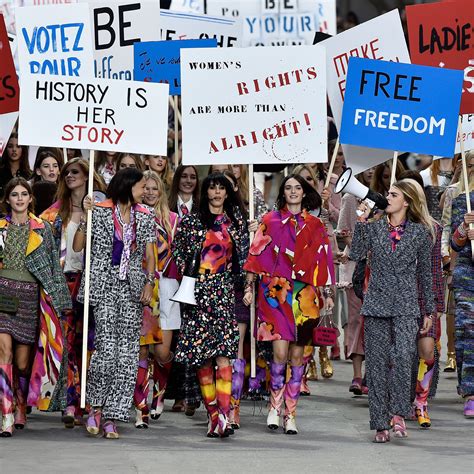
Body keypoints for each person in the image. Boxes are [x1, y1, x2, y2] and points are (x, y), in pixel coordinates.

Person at [243, 174, 335, 435]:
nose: (293, 192)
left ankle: (290, 413)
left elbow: (324, 259)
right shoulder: (269, 220)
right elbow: (256, 253)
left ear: (304, 192)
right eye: (288, 188)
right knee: (280, 353)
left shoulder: (316, 223)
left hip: (305, 294)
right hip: (276, 292)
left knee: (298, 356)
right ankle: (274, 406)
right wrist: (249, 287)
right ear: (282, 193)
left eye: (297, 188)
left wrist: (327, 293)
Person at [350, 179, 435, 443]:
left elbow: (425, 275)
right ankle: (379, 423)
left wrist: (429, 311)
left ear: (407, 201)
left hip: (407, 306)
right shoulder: (374, 228)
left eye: (393, 194)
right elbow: (355, 254)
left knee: (404, 358)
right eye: (388, 193)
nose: (387, 198)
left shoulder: (421, 233)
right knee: (375, 365)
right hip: (376, 304)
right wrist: (361, 223)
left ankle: (399, 413)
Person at [75, 168, 155, 439]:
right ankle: (95, 408)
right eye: (142, 186)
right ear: (127, 185)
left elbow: (149, 252)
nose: (145, 191)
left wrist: (149, 281)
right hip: (103, 284)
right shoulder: (98, 209)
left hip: (132, 288)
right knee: (107, 349)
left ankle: (113, 415)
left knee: (128, 353)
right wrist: (86, 216)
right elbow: (77, 246)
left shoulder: (144, 214)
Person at [172, 172, 249, 438]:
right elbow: (177, 250)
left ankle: (224, 416)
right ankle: (213, 414)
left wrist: (244, 285)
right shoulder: (192, 220)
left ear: (228, 193)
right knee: (202, 356)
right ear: (206, 193)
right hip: (197, 292)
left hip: (224, 292)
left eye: (221, 189)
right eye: (212, 188)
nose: (216, 193)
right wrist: (189, 272)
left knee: (224, 354)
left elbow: (246, 258)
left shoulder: (235, 223)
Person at [0, 178, 71, 436]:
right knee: (3, 353)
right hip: (3, 296)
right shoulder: (0, 228)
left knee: (21, 363)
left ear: (31, 198)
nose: (19, 198)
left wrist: (61, 302)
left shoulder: (43, 228)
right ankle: (5, 416)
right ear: (8, 199)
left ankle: (20, 401)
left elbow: (53, 267)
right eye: (14, 194)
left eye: (24, 194)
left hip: (31, 298)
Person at [41, 158, 105, 428]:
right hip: (62, 282)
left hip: (90, 283)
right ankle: (69, 400)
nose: (68, 176)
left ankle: (88, 401)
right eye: (66, 172)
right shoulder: (54, 213)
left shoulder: (103, 207)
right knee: (66, 343)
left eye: (75, 172)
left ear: (88, 176)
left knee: (88, 344)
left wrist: (94, 214)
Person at [133, 170, 179, 428]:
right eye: (145, 188)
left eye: (154, 188)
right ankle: (141, 406)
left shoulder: (173, 220)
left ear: (161, 191)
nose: (150, 192)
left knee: (161, 352)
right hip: (141, 287)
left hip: (168, 289)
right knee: (141, 349)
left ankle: (160, 392)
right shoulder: (133, 216)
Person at [336, 167, 375, 395]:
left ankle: (374, 372)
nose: (370, 171)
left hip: (381, 271)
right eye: (365, 168)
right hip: (355, 269)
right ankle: (357, 374)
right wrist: (364, 249)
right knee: (356, 320)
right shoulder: (351, 196)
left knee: (375, 323)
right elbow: (343, 231)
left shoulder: (389, 195)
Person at [449, 155, 473, 418]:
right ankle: (469, 390)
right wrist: (463, 230)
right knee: (467, 331)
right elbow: (454, 243)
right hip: (468, 275)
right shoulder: (463, 201)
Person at [0, 133, 31, 200]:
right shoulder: (1, 172)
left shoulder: (29, 175)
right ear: (5, 149)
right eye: (10, 146)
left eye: (18, 146)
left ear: (23, 149)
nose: (14, 149)